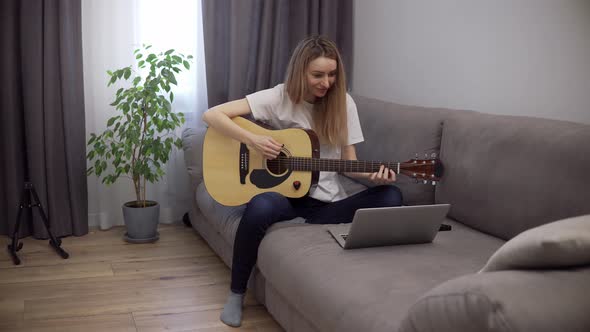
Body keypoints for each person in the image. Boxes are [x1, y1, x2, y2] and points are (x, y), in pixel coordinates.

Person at [202, 35, 403, 327]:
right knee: (260, 205)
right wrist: (254, 140)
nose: (326, 83)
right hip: (284, 198)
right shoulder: (278, 97)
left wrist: (371, 174)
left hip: (326, 204)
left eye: (332, 74)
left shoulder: (343, 103)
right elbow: (212, 114)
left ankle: (318, 225)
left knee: (391, 196)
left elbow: (349, 162)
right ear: (300, 72)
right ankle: (236, 293)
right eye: (318, 75)